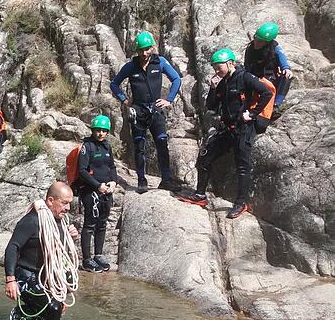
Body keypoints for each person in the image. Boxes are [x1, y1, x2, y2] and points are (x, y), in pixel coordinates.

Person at [179, 48, 273, 219]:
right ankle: (200, 195)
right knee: (205, 157)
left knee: (242, 167)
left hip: (243, 129)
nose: (216, 71)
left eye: (218, 67)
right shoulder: (224, 82)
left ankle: (240, 203)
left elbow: (266, 93)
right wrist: (213, 88)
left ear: (230, 63)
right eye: (214, 68)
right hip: (227, 129)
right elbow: (212, 106)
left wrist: (253, 114)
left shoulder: (245, 77)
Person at [110, 31, 182, 194]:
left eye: (147, 49)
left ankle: (166, 180)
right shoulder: (131, 66)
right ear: (137, 50)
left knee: (162, 145)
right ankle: (141, 180)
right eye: (141, 50)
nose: (144, 53)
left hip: (156, 111)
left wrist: (169, 99)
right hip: (139, 112)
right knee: (139, 147)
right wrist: (124, 99)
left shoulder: (160, 62)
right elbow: (114, 84)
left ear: (152, 48)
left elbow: (177, 79)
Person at [3, 182, 79, 320]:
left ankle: (34, 318)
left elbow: (59, 249)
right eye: (64, 203)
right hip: (26, 276)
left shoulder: (61, 220)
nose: (68, 208)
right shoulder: (31, 221)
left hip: (45, 276)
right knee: (53, 307)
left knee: (58, 304)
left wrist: (71, 237)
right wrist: (10, 280)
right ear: (51, 201)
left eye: (69, 203)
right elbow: (12, 247)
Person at [77, 115, 118, 272]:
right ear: (93, 130)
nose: (101, 133)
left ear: (107, 132)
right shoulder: (87, 147)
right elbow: (82, 171)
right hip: (90, 190)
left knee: (102, 223)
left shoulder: (107, 146)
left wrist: (113, 182)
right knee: (89, 225)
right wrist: (97, 185)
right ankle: (87, 260)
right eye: (98, 130)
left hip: (106, 191)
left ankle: (98, 256)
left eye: (103, 131)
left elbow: (112, 167)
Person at [244, 22, 292, 110]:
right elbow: (247, 67)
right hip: (255, 79)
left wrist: (286, 68)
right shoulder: (250, 49)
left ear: (267, 42)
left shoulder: (275, 48)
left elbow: (283, 59)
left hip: (270, 78)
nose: (256, 42)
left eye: (260, 41)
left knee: (287, 77)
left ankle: (276, 104)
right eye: (256, 38)